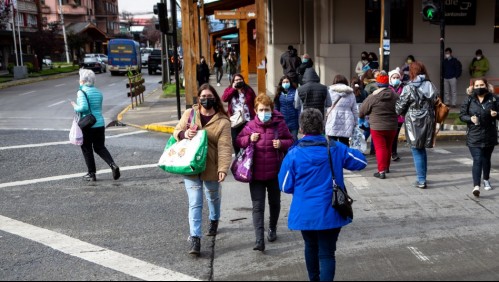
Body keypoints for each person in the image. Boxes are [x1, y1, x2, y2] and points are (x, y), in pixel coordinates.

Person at [278, 108, 367, 281]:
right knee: (327, 254)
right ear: (323, 126)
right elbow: (361, 161)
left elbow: (284, 186)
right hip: (332, 210)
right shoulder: (335, 148)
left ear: (301, 129)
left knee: (310, 246)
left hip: (305, 212)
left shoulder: (293, 154)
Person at [173, 83, 232, 256]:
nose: (206, 100)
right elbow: (176, 131)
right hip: (191, 166)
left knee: (212, 196)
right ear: (198, 99)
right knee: (195, 202)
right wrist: (185, 134)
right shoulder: (190, 114)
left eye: (209, 97)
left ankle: (214, 219)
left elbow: (225, 147)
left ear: (215, 98)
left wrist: (223, 168)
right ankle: (195, 238)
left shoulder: (222, 121)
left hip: (211, 166)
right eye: (203, 97)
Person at [236, 94, 294, 252]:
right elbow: (238, 140)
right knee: (257, 207)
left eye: (266, 109)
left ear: (271, 110)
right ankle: (259, 239)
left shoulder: (279, 124)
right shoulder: (250, 126)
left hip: (275, 172)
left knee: (274, 203)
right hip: (256, 174)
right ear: (255, 110)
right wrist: (248, 138)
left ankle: (272, 228)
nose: (263, 112)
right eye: (261, 109)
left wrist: (281, 143)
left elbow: (291, 141)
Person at [70, 69, 121, 182]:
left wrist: (74, 106)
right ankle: (112, 165)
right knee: (99, 147)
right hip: (99, 124)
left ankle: (91, 174)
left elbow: (83, 108)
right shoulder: (98, 92)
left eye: (79, 78)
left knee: (87, 148)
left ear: (83, 80)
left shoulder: (81, 91)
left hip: (88, 125)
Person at [396, 61, 438, 189]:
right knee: (422, 149)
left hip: (413, 120)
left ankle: (421, 180)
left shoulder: (408, 87)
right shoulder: (430, 85)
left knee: (416, 150)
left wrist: (403, 111)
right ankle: (423, 177)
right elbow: (436, 101)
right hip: (429, 119)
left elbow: (399, 107)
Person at [460, 78, 499, 197]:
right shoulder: (469, 99)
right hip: (474, 135)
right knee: (477, 160)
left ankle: (486, 179)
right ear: (473, 87)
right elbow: (462, 115)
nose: (479, 87)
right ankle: (476, 186)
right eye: (477, 85)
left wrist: (496, 114)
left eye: (482, 85)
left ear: (486, 85)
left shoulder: (493, 98)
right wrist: (470, 119)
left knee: (486, 159)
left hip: (489, 134)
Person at [359, 71, 399, 179]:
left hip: (377, 127)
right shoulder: (395, 95)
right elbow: (400, 109)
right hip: (392, 126)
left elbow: (363, 110)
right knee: (388, 146)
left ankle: (381, 171)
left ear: (378, 84)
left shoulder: (373, 97)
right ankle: (386, 167)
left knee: (380, 148)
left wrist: (362, 117)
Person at [222, 74, 257, 155]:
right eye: (236, 80)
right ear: (233, 82)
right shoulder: (230, 89)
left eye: (240, 79)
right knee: (235, 139)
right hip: (235, 120)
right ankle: (238, 155)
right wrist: (233, 89)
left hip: (248, 119)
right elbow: (224, 98)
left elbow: (255, 101)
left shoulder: (248, 90)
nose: (238, 81)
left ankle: (247, 155)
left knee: (247, 138)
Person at [325, 75, 358, 147]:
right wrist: (356, 122)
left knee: (332, 144)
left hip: (332, 119)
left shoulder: (329, 91)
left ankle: (333, 157)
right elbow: (354, 109)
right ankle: (344, 157)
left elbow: (326, 106)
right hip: (347, 120)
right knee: (345, 143)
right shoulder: (351, 93)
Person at [274, 75, 300, 141]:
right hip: (283, 121)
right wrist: (276, 118)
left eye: (287, 82)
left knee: (294, 139)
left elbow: (298, 107)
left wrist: (299, 121)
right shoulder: (279, 93)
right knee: (284, 139)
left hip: (294, 121)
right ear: (281, 83)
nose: (285, 83)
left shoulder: (295, 92)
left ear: (290, 82)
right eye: (284, 82)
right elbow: (276, 107)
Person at [388, 67, 405, 161]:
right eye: (393, 77)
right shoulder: (388, 88)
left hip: (399, 117)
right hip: (390, 115)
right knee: (391, 135)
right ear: (390, 79)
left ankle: (393, 152)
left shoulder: (403, 88)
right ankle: (390, 151)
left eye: (397, 77)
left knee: (395, 135)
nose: (396, 79)